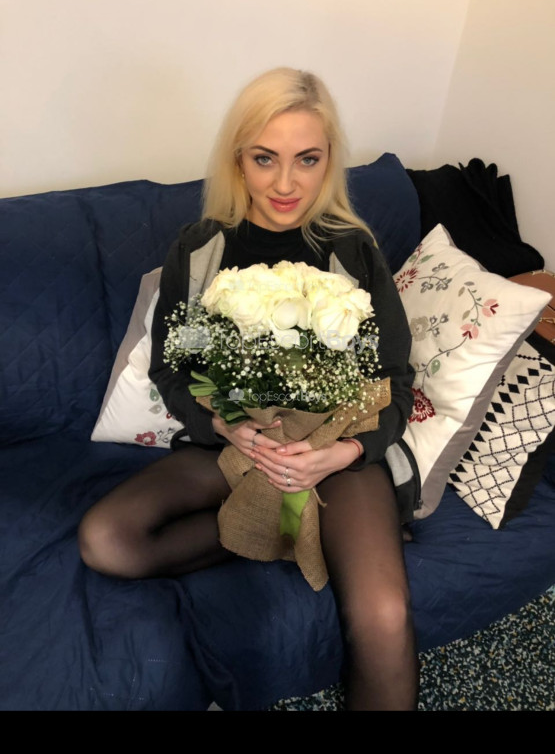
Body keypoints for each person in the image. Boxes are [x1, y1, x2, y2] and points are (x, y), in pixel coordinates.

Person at [78, 67, 420, 711]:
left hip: (335, 458)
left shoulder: (353, 252)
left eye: (307, 159)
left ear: (329, 160)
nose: (285, 184)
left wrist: (339, 453)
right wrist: (224, 426)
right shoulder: (200, 252)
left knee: (384, 617)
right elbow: (176, 368)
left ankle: (309, 527)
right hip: (239, 450)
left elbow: (395, 382)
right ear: (238, 158)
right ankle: (279, 534)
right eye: (265, 158)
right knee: (107, 539)